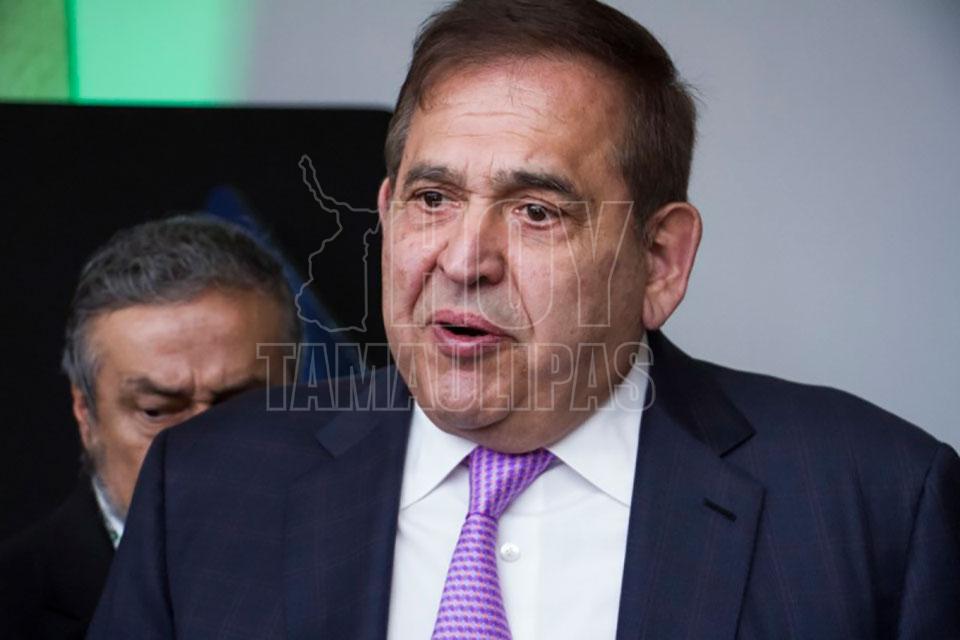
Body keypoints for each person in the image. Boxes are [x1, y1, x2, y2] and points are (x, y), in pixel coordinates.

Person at [89, 2, 959, 638]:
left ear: (660, 261)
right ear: (387, 215)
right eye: (433, 198)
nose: (464, 259)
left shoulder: (877, 505)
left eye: (536, 211)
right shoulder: (204, 488)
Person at [0, 215, 300, 639]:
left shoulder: (374, 571)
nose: (205, 447)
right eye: (157, 411)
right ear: (85, 413)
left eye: (243, 405)